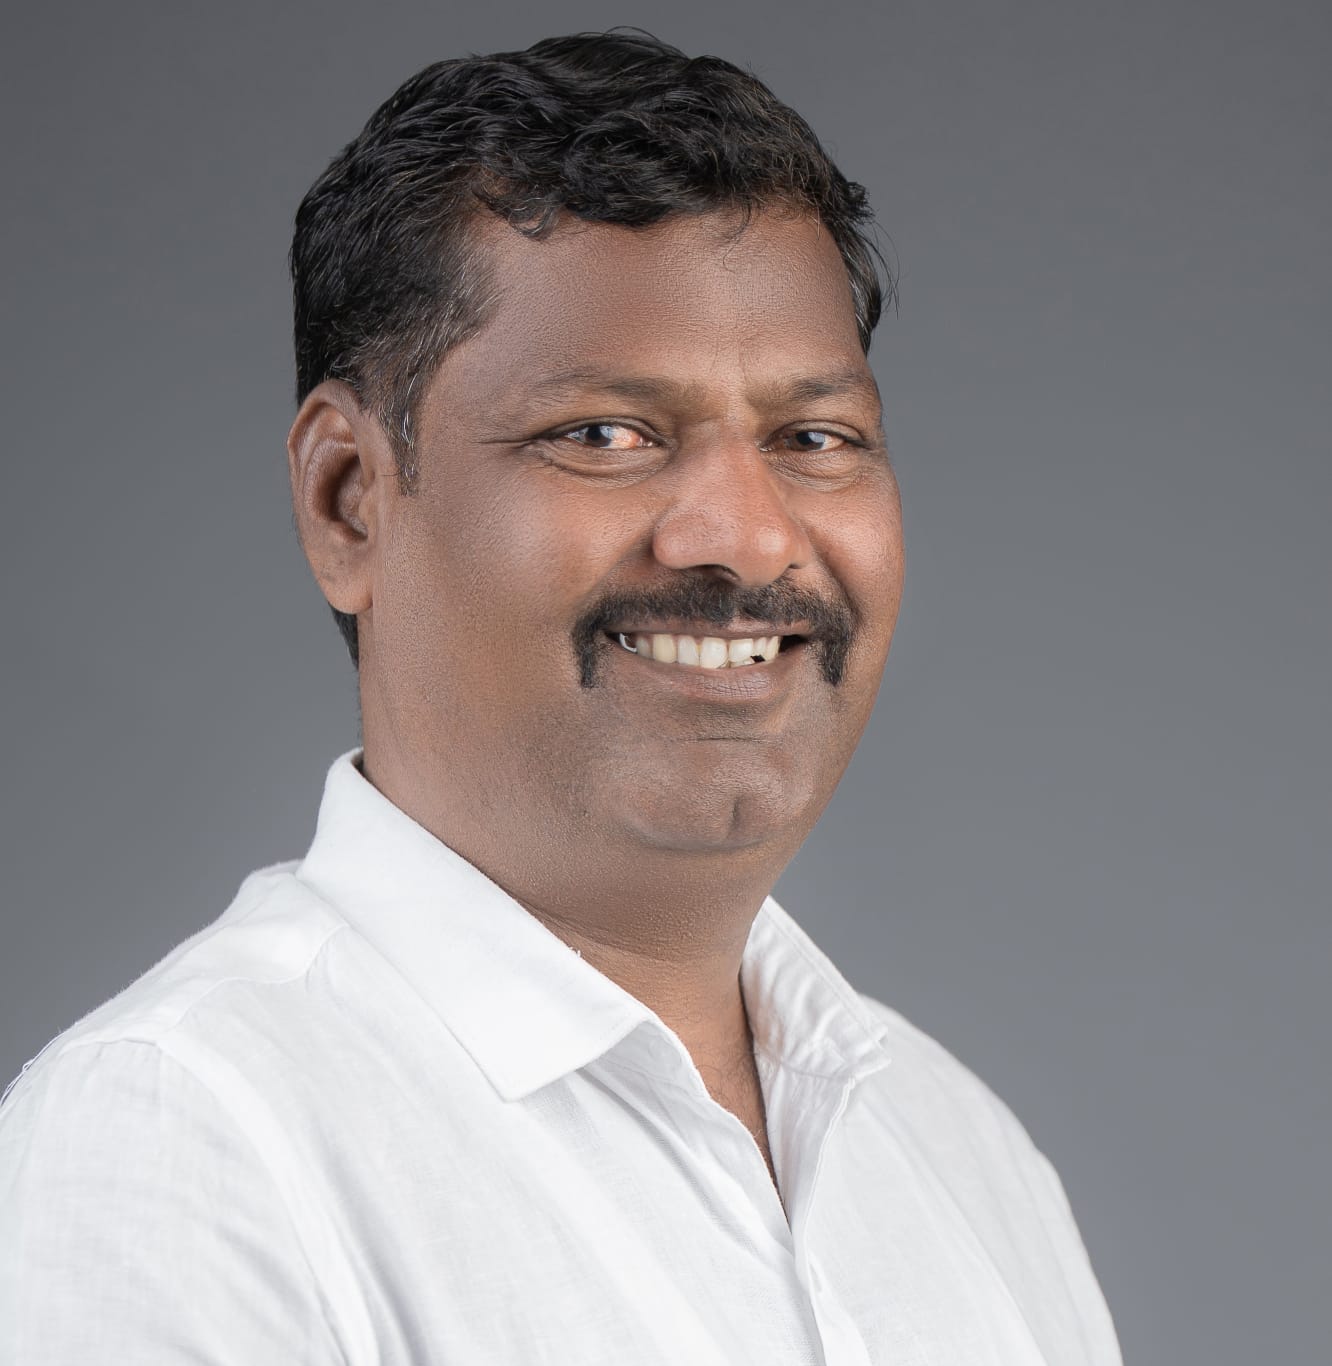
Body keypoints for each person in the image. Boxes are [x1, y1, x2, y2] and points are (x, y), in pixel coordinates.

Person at [0, 30, 1120, 1364]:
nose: (748, 538)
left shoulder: (962, 1152)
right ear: (349, 501)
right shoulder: (183, 1149)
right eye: (603, 434)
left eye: (813, 438)